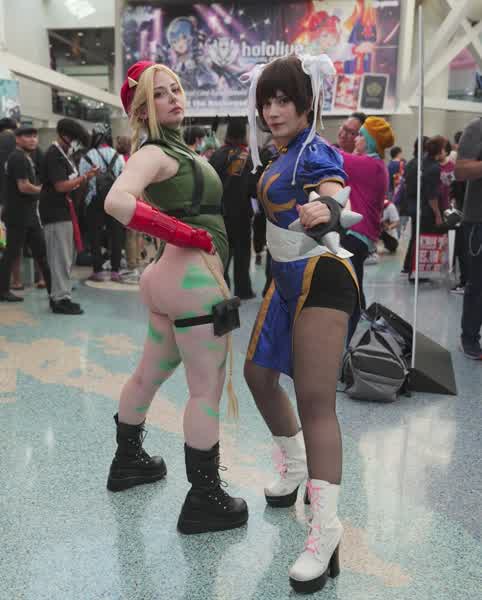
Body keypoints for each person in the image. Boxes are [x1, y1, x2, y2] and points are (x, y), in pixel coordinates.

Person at [104, 60, 248, 534]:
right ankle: (204, 498)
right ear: (143, 108)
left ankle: (128, 462)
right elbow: (117, 200)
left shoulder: (174, 149)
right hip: (191, 282)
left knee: (149, 374)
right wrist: (185, 233)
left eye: (176, 89)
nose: (173, 97)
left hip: (173, 280)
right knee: (204, 389)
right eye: (160, 94)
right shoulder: (154, 152)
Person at [243, 55, 359, 593]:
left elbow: (332, 185)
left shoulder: (314, 149)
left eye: (284, 100)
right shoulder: (280, 152)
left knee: (315, 402)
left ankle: (326, 528)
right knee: (258, 375)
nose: (273, 110)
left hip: (321, 273)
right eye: (266, 101)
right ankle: (293, 466)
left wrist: (327, 210)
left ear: (306, 103)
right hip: (283, 276)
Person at [340, 116, 394, 341]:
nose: (356, 138)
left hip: (357, 235)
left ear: (371, 141)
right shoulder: (375, 165)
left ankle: (350, 340)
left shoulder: (369, 165)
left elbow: (336, 155)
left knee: (349, 290)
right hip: (361, 235)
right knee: (354, 285)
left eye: (361, 135)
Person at [39, 118, 98, 315]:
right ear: (64, 136)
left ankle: (62, 295)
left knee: (66, 257)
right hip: (55, 213)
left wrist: (85, 178)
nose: (75, 143)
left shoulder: (64, 155)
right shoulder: (54, 154)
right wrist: (84, 177)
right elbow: (60, 185)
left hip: (65, 211)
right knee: (59, 257)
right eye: (73, 139)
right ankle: (60, 299)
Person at [0, 126, 51, 302]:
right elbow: (23, 186)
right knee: (12, 253)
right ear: (17, 139)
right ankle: (3, 290)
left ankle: (53, 288)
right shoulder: (18, 158)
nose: (32, 140)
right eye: (28, 136)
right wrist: (43, 190)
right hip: (18, 215)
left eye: (35, 136)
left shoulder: (24, 157)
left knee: (39, 252)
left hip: (27, 214)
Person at [209, 117, 256, 299]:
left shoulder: (216, 155)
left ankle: (222, 288)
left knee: (222, 254)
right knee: (242, 254)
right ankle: (243, 290)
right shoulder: (245, 157)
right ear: (244, 134)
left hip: (219, 213)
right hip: (242, 213)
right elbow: (252, 188)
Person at [79, 124, 125, 282]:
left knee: (94, 235)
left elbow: (83, 181)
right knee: (116, 234)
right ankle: (115, 271)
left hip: (94, 200)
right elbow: (124, 178)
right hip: (115, 201)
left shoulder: (87, 156)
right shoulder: (118, 156)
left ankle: (98, 270)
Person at [455, 119, 482, 359]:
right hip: (478, 220)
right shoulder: (476, 129)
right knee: (478, 285)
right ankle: (469, 338)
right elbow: (461, 170)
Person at [403, 135, 447, 280]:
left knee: (416, 238)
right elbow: (432, 195)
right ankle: (418, 273)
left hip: (414, 205)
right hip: (426, 209)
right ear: (439, 151)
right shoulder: (434, 168)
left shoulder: (416, 163)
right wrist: (438, 214)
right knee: (424, 240)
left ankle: (411, 268)